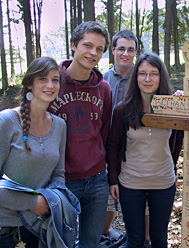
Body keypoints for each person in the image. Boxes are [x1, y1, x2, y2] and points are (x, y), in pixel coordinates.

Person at [106, 53, 183, 247]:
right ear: (135, 77)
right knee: (135, 239)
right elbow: (113, 146)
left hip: (163, 183)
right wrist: (113, 179)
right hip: (131, 182)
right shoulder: (122, 110)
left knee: (159, 238)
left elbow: (177, 140)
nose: (147, 79)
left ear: (161, 77)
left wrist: (170, 166)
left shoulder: (172, 107)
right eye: (142, 74)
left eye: (153, 74)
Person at [48, 21, 112, 248]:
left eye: (99, 49)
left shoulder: (103, 88)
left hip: (96, 180)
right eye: (87, 45)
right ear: (73, 45)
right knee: (62, 242)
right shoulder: (53, 83)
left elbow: (104, 131)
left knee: (91, 242)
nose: (93, 53)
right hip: (62, 180)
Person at [0, 57, 67, 247]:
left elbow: (59, 175)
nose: (50, 85)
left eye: (55, 80)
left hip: (42, 227)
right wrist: (32, 203)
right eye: (42, 79)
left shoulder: (60, 126)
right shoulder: (6, 122)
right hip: (8, 229)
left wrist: (52, 201)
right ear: (30, 84)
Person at [102, 30, 138, 240]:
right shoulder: (103, 80)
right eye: (121, 48)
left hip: (135, 148)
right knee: (109, 194)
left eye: (131, 49)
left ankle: (142, 239)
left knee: (140, 202)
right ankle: (104, 234)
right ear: (113, 50)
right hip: (107, 147)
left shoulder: (143, 77)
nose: (126, 53)